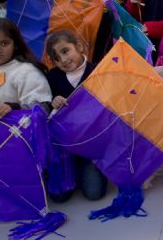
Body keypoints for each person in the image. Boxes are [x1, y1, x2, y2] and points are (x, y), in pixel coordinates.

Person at [44, 30, 107, 202]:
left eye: (65, 51)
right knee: (59, 198)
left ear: (79, 47)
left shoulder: (97, 72)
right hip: (65, 148)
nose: (63, 60)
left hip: (91, 145)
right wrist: (53, 101)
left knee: (94, 194)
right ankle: (71, 170)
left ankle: (90, 169)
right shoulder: (53, 77)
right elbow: (48, 107)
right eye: (56, 58)